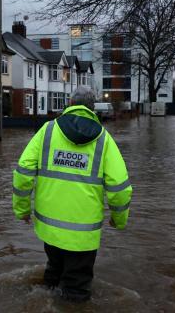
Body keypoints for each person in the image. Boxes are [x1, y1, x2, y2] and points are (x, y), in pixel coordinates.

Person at [12, 86, 133, 302]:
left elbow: (23, 173)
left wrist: (22, 209)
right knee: (77, 289)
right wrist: (119, 219)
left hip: (50, 229)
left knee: (53, 275)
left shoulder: (47, 131)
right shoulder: (104, 140)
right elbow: (120, 189)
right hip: (83, 235)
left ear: (69, 104)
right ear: (92, 108)